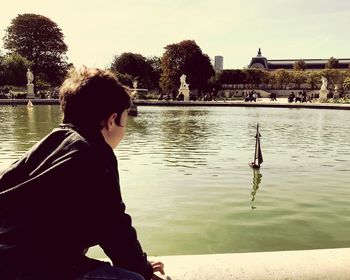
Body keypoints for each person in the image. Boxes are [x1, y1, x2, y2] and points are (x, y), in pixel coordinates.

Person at [0, 66, 164, 280]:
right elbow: (115, 228)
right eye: (125, 121)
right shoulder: (94, 153)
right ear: (112, 120)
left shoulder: (48, 144)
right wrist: (142, 269)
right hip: (29, 268)